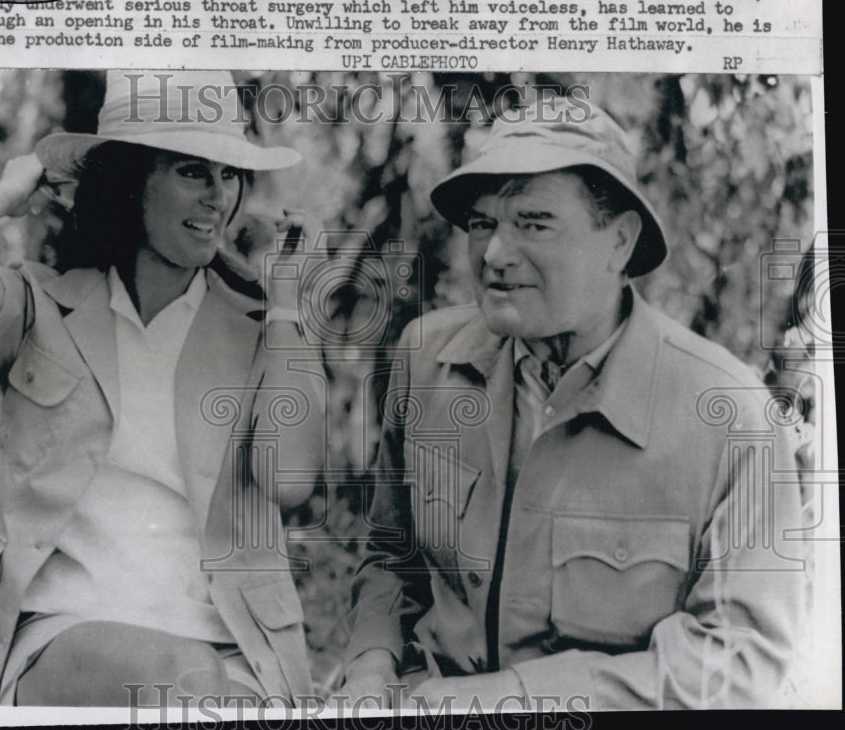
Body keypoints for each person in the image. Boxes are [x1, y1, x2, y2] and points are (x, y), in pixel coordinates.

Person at [343, 97, 805, 710]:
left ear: (619, 242)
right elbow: (391, 556)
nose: (495, 254)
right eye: (482, 223)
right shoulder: (426, 359)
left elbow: (739, 660)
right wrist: (370, 665)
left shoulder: (729, 416)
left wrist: (509, 699)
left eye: (534, 224)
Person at [0, 70, 325, 706]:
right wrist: (13, 189)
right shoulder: (41, 309)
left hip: (230, 651)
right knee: (179, 677)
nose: (218, 197)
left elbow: (290, 482)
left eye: (230, 174)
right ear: (130, 181)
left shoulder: (264, 331)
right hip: (61, 630)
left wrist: (288, 304)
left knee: (200, 686)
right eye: (193, 171)